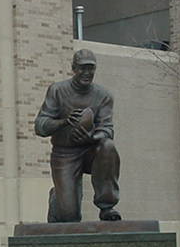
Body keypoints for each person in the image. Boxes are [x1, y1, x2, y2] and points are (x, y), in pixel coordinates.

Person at [34, 49, 121, 222]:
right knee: (69, 216)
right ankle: (58, 197)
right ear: (74, 68)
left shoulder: (103, 96)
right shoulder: (57, 90)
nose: (87, 73)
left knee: (108, 147)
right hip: (64, 153)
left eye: (91, 68)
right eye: (82, 68)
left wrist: (92, 138)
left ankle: (107, 207)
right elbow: (40, 126)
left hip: (90, 151)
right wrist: (63, 122)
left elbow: (107, 129)